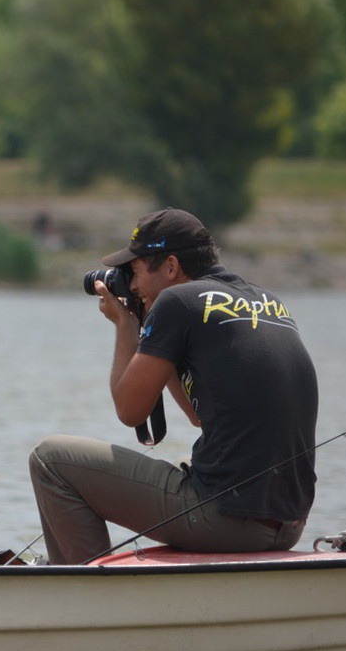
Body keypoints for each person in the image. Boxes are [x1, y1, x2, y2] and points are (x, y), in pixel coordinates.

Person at [29, 208, 318, 564]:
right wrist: (159, 341)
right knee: (186, 462)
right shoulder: (267, 300)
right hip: (288, 523)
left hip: (226, 521)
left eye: (134, 272)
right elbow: (199, 416)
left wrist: (127, 330)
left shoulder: (176, 301)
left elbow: (129, 410)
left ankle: (87, 594)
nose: (132, 287)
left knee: (50, 459)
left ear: (169, 267)